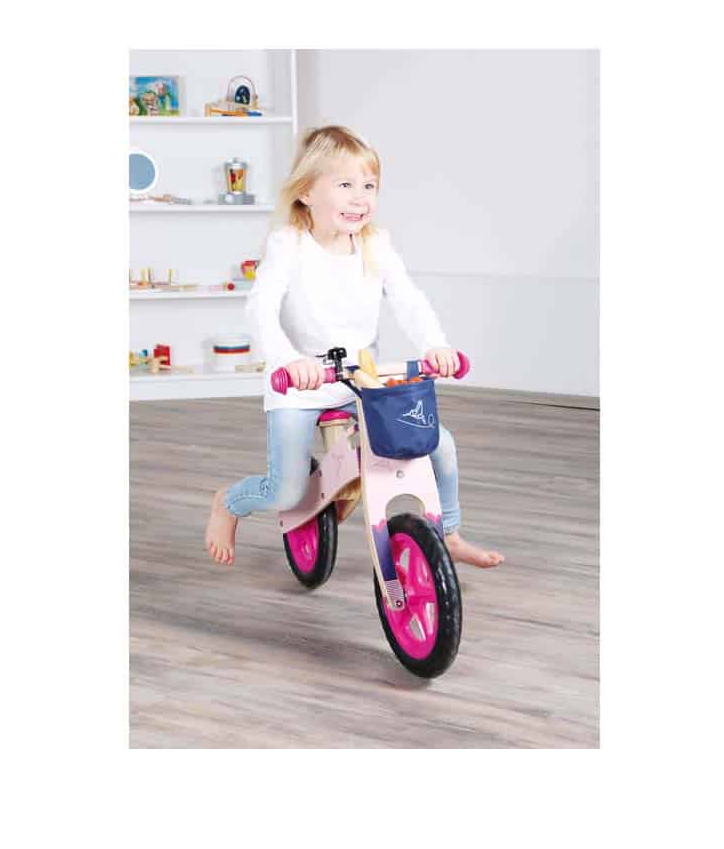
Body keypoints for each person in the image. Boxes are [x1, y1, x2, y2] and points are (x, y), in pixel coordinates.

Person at [205, 125, 505, 569]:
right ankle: (228, 503)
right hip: (299, 385)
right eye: (345, 185)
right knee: (286, 491)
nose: (360, 198)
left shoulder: (374, 244)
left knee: (438, 444)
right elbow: (260, 308)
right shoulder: (288, 244)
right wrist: (289, 359)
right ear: (306, 192)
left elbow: (408, 300)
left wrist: (435, 345)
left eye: (369, 186)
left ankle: (450, 532)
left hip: (360, 382)